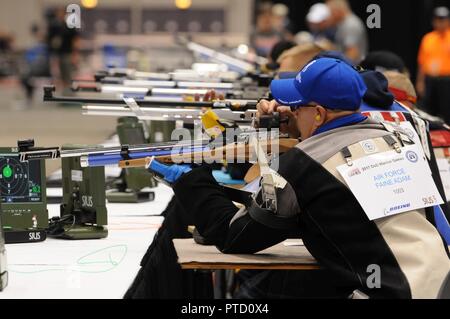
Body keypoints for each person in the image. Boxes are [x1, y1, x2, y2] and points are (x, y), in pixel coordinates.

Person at [148, 58, 450, 298]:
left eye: (296, 106)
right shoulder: (398, 140)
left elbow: (235, 235)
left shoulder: (304, 163)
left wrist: (192, 180)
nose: (288, 111)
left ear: (318, 113)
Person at [416, 6, 450, 123]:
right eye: (438, 19)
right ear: (433, 21)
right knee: (429, 110)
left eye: (443, 19)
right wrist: (420, 82)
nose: (440, 22)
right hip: (430, 80)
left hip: (447, 80)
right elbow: (421, 62)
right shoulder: (428, 38)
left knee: (447, 110)